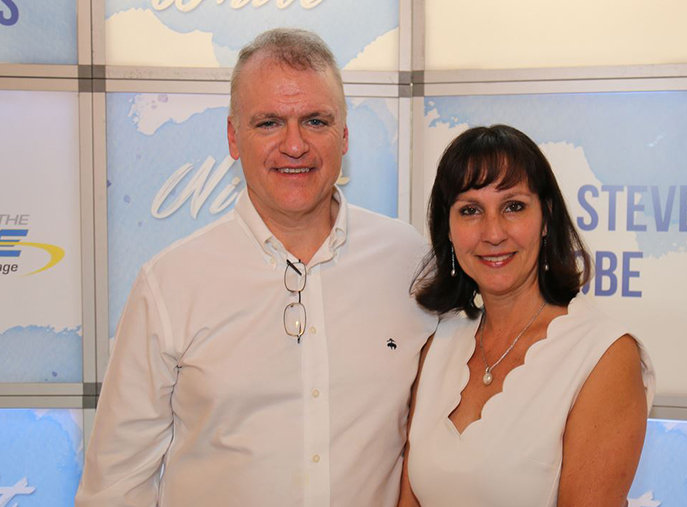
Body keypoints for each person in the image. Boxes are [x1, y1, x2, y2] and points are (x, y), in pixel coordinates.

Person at [76, 28, 437, 507]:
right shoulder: (170, 282)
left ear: (345, 135)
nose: (294, 145)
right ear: (233, 137)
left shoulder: (409, 262)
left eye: (315, 121)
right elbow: (116, 485)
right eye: (269, 123)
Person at [399, 125, 655, 507]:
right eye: (470, 210)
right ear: (448, 229)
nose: (493, 233)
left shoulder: (604, 355)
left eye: (513, 206)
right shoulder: (438, 343)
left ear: (546, 216)